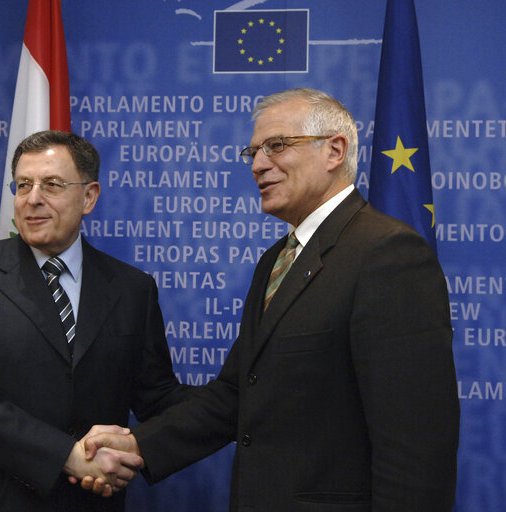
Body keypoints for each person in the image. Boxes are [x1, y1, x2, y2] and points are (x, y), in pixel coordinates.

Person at [81, 88, 460, 510]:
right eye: (254, 151)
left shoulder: (388, 255)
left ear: (334, 151)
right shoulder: (276, 261)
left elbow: (417, 446)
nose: (259, 164)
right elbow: (236, 395)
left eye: (277, 146)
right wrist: (137, 443)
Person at [0, 130, 189, 511]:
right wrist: (68, 454)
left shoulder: (133, 289)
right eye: (23, 185)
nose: (32, 199)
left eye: (51, 185)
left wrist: (240, 406)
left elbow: (157, 396)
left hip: (87, 502)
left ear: (89, 196)